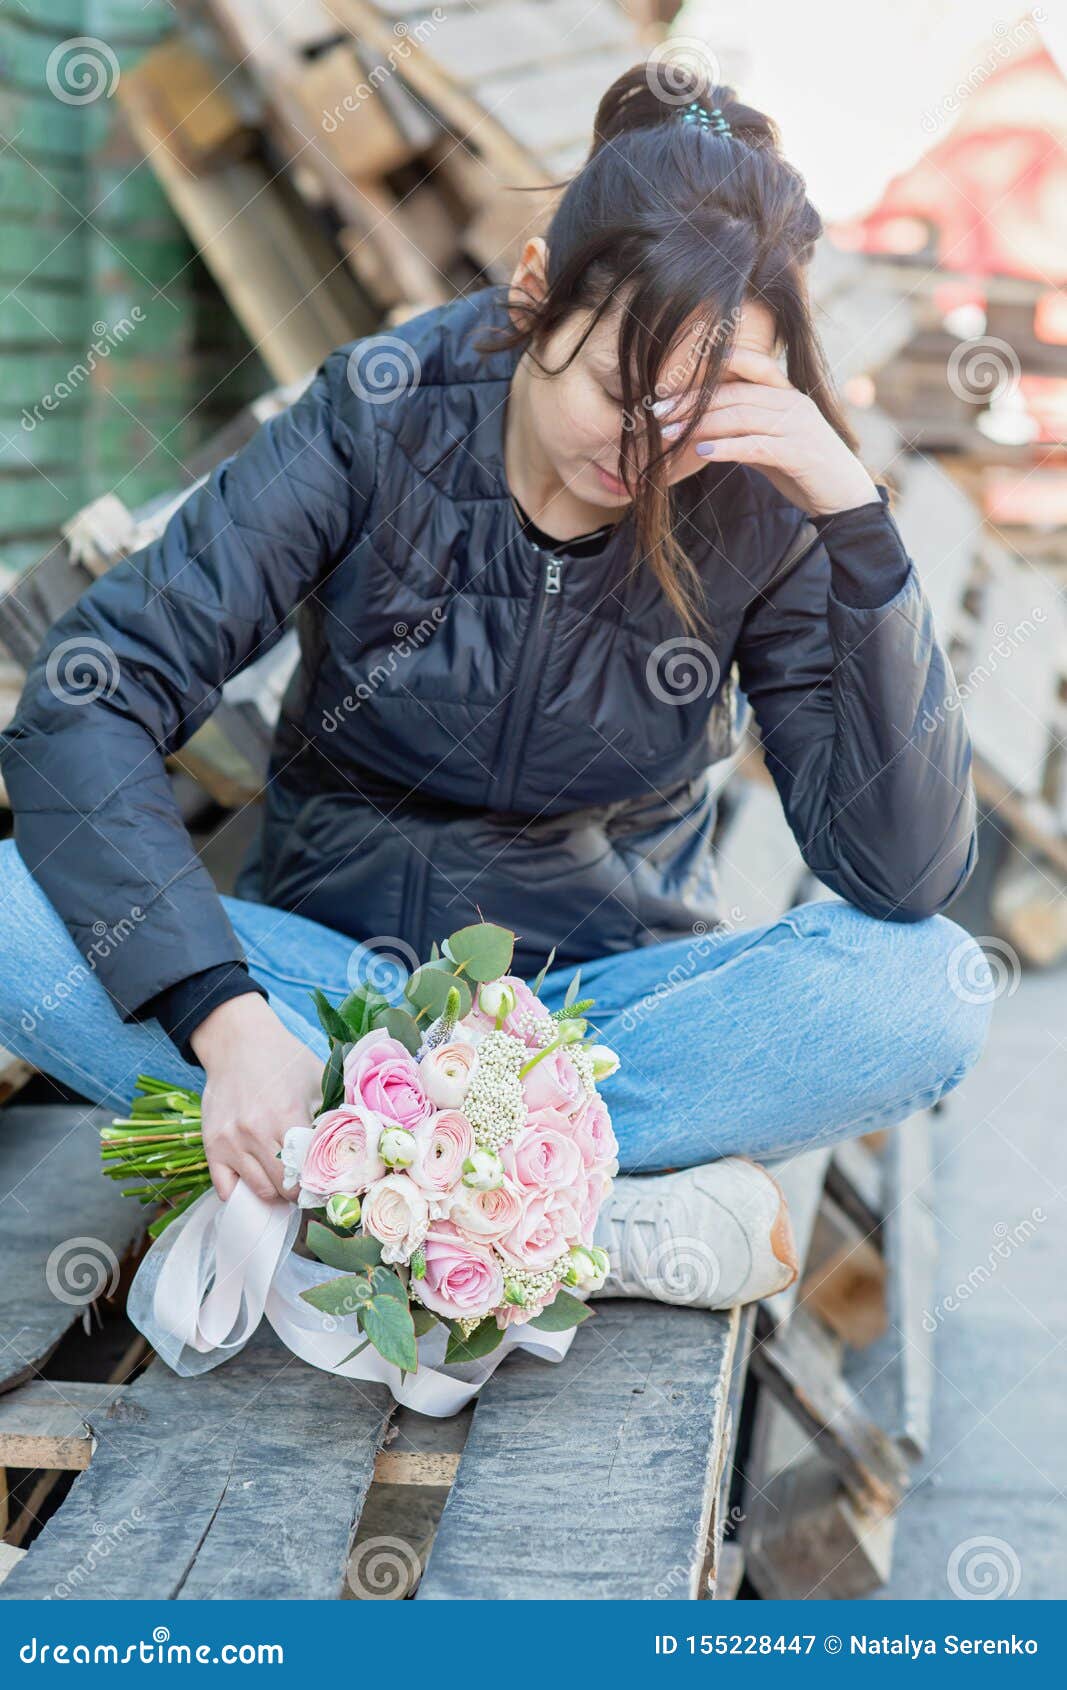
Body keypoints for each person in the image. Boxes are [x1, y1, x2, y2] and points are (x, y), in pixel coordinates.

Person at [0, 68, 991, 1311]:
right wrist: (228, 1019)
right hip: (328, 1000)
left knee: (933, 984)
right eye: (621, 394)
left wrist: (856, 527)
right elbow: (89, 698)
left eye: (701, 408)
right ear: (533, 293)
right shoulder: (380, 414)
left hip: (591, 1025)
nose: (649, 451)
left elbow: (899, 878)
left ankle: (391, 1185)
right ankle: (574, 1210)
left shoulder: (756, 500)